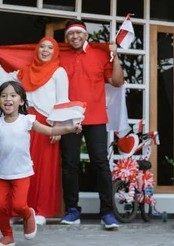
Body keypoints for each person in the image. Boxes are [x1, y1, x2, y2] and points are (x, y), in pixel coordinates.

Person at [0, 81, 82, 246]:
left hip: (22, 173)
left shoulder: (27, 120)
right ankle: (7, 236)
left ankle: (28, 215)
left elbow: (49, 130)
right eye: (4, 96)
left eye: (13, 95)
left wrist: (68, 128)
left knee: (19, 205)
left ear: (21, 101)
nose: (8, 99)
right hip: (3, 175)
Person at [0, 37, 68, 225]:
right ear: (36, 50)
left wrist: (57, 126)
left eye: (50, 48)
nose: (45, 50)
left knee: (44, 169)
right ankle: (22, 210)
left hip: (46, 124)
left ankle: (41, 211)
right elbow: (4, 80)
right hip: (24, 123)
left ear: (55, 52)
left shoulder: (59, 72)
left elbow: (62, 100)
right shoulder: (24, 72)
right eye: (42, 47)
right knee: (20, 167)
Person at [58, 19, 124, 230]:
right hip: (68, 117)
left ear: (86, 35)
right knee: (69, 164)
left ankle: (107, 212)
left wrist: (116, 56)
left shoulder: (100, 54)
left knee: (100, 164)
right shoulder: (60, 55)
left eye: (78, 33)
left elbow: (117, 81)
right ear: (66, 37)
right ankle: (72, 210)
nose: (74, 37)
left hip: (95, 116)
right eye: (70, 34)